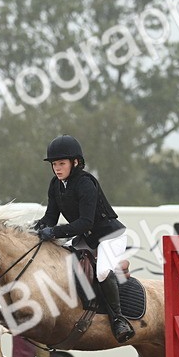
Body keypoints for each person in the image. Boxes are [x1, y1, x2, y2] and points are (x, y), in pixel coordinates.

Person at [32, 135, 135, 343]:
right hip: (87, 237)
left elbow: (85, 222)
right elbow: (50, 217)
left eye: (61, 163)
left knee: (103, 272)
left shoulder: (86, 183)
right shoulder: (56, 185)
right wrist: (35, 228)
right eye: (54, 164)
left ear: (75, 162)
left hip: (109, 236)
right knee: (63, 260)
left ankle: (118, 319)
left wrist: (54, 232)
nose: (57, 168)